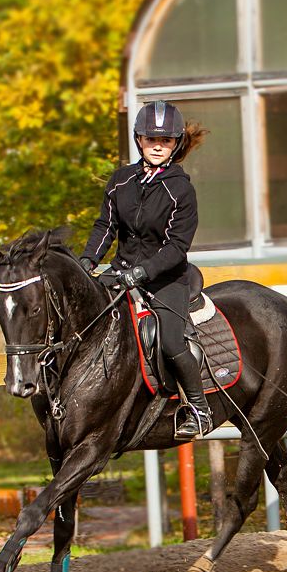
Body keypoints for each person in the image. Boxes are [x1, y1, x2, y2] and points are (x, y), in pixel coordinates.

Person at [79, 100, 211, 439]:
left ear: (175, 144)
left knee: (170, 342)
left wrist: (142, 273)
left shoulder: (181, 190)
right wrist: (88, 260)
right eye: (151, 139)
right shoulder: (120, 181)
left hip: (165, 279)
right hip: (121, 270)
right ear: (139, 140)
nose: (157, 146)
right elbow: (105, 226)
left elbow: (177, 247)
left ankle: (199, 409)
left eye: (165, 140)